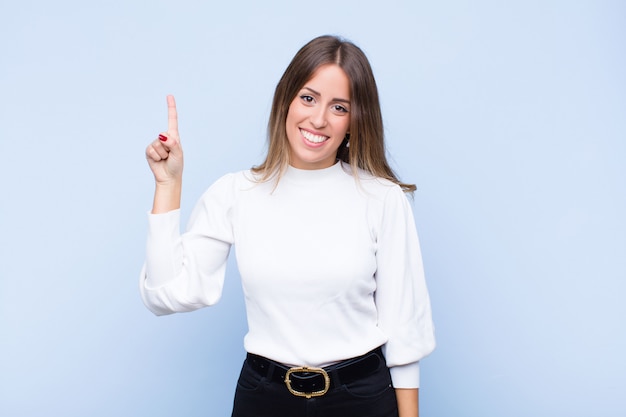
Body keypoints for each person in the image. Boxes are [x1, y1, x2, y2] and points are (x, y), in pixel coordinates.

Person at [141, 35, 435, 417]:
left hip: (361, 400)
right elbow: (168, 295)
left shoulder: (382, 199)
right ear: (286, 100)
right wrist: (168, 186)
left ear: (355, 119)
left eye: (339, 107)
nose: (318, 119)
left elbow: (404, 330)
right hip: (264, 399)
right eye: (308, 98)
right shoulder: (236, 193)